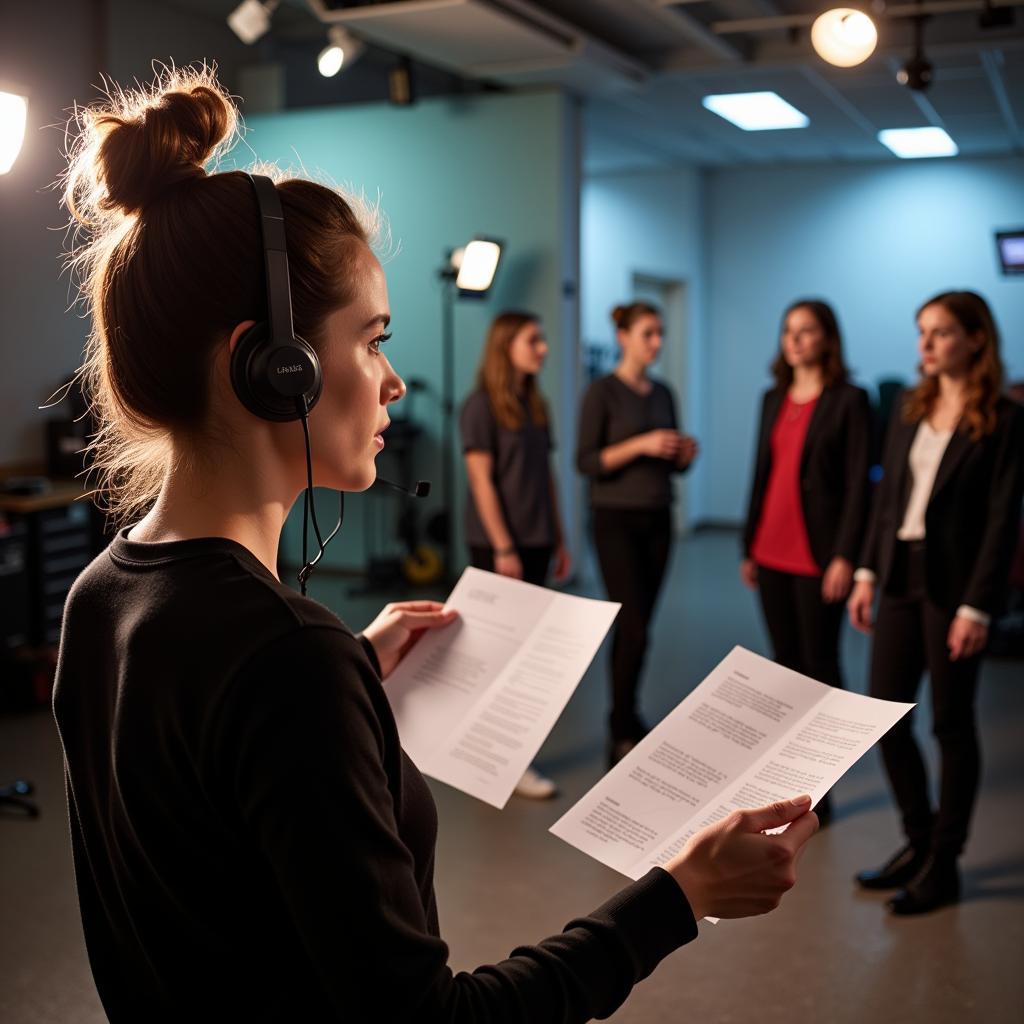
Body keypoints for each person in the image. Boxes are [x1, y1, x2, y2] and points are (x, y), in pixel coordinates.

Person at [51, 69, 817, 1023]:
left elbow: (207, 861)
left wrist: (352, 677)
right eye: (370, 339)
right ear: (271, 366)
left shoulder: (101, 594)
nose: (394, 381)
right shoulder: (286, 660)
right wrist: (678, 896)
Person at [848, 290, 1024, 915]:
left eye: (941, 332)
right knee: (885, 716)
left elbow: (1004, 521)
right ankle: (917, 841)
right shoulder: (907, 406)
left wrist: (979, 608)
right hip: (898, 572)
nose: (925, 345)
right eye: (922, 331)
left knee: (950, 723)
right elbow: (886, 498)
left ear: (976, 339)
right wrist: (867, 570)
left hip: (955, 588)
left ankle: (944, 863)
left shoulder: (1003, 419)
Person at [740, 300, 871, 824]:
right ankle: (792, 783)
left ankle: (823, 786)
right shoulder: (772, 397)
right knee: (787, 668)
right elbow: (761, 472)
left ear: (827, 339)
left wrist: (846, 555)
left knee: (821, 670)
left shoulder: (850, 400)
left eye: (807, 331)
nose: (794, 340)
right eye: (788, 330)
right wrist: (747, 543)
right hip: (771, 548)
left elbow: (861, 485)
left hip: (819, 555)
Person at [576, 302, 698, 767]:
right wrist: (642, 444)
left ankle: (628, 714)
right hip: (615, 520)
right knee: (631, 625)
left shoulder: (664, 393)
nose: (657, 342)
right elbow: (587, 462)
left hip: (657, 517)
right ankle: (619, 725)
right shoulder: (601, 393)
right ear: (624, 336)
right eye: (648, 333)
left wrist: (683, 454)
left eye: (661, 333)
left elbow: (673, 465)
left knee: (642, 627)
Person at [460, 311, 570, 799]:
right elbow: (481, 480)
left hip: (537, 539)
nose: (542, 348)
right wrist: (503, 545)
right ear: (507, 346)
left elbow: (547, 477)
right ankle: (503, 760)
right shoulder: (480, 407)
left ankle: (507, 754)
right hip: (499, 545)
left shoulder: (532, 403)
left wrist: (562, 537)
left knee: (528, 655)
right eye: (534, 339)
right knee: (502, 654)